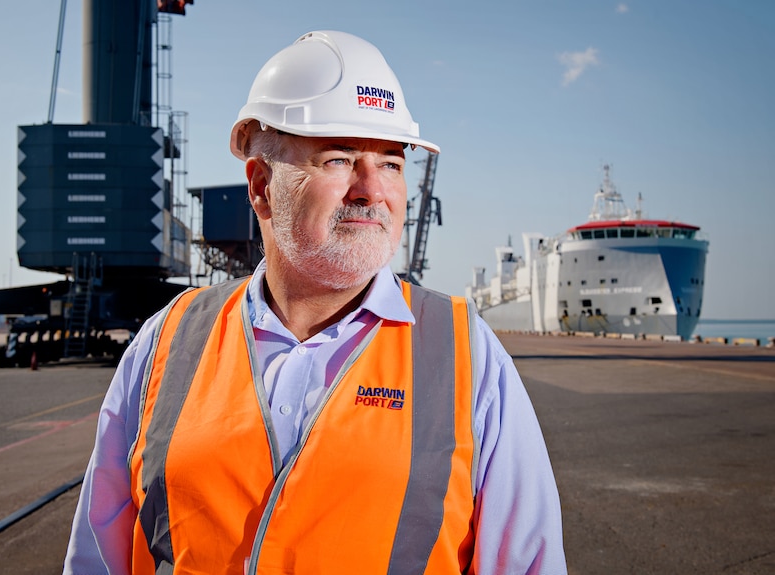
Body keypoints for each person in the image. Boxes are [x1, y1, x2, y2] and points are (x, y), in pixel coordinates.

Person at [64, 30, 567, 574]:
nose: (372, 189)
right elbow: (98, 555)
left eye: (393, 164)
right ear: (261, 186)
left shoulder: (466, 352)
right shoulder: (168, 340)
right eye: (339, 159)